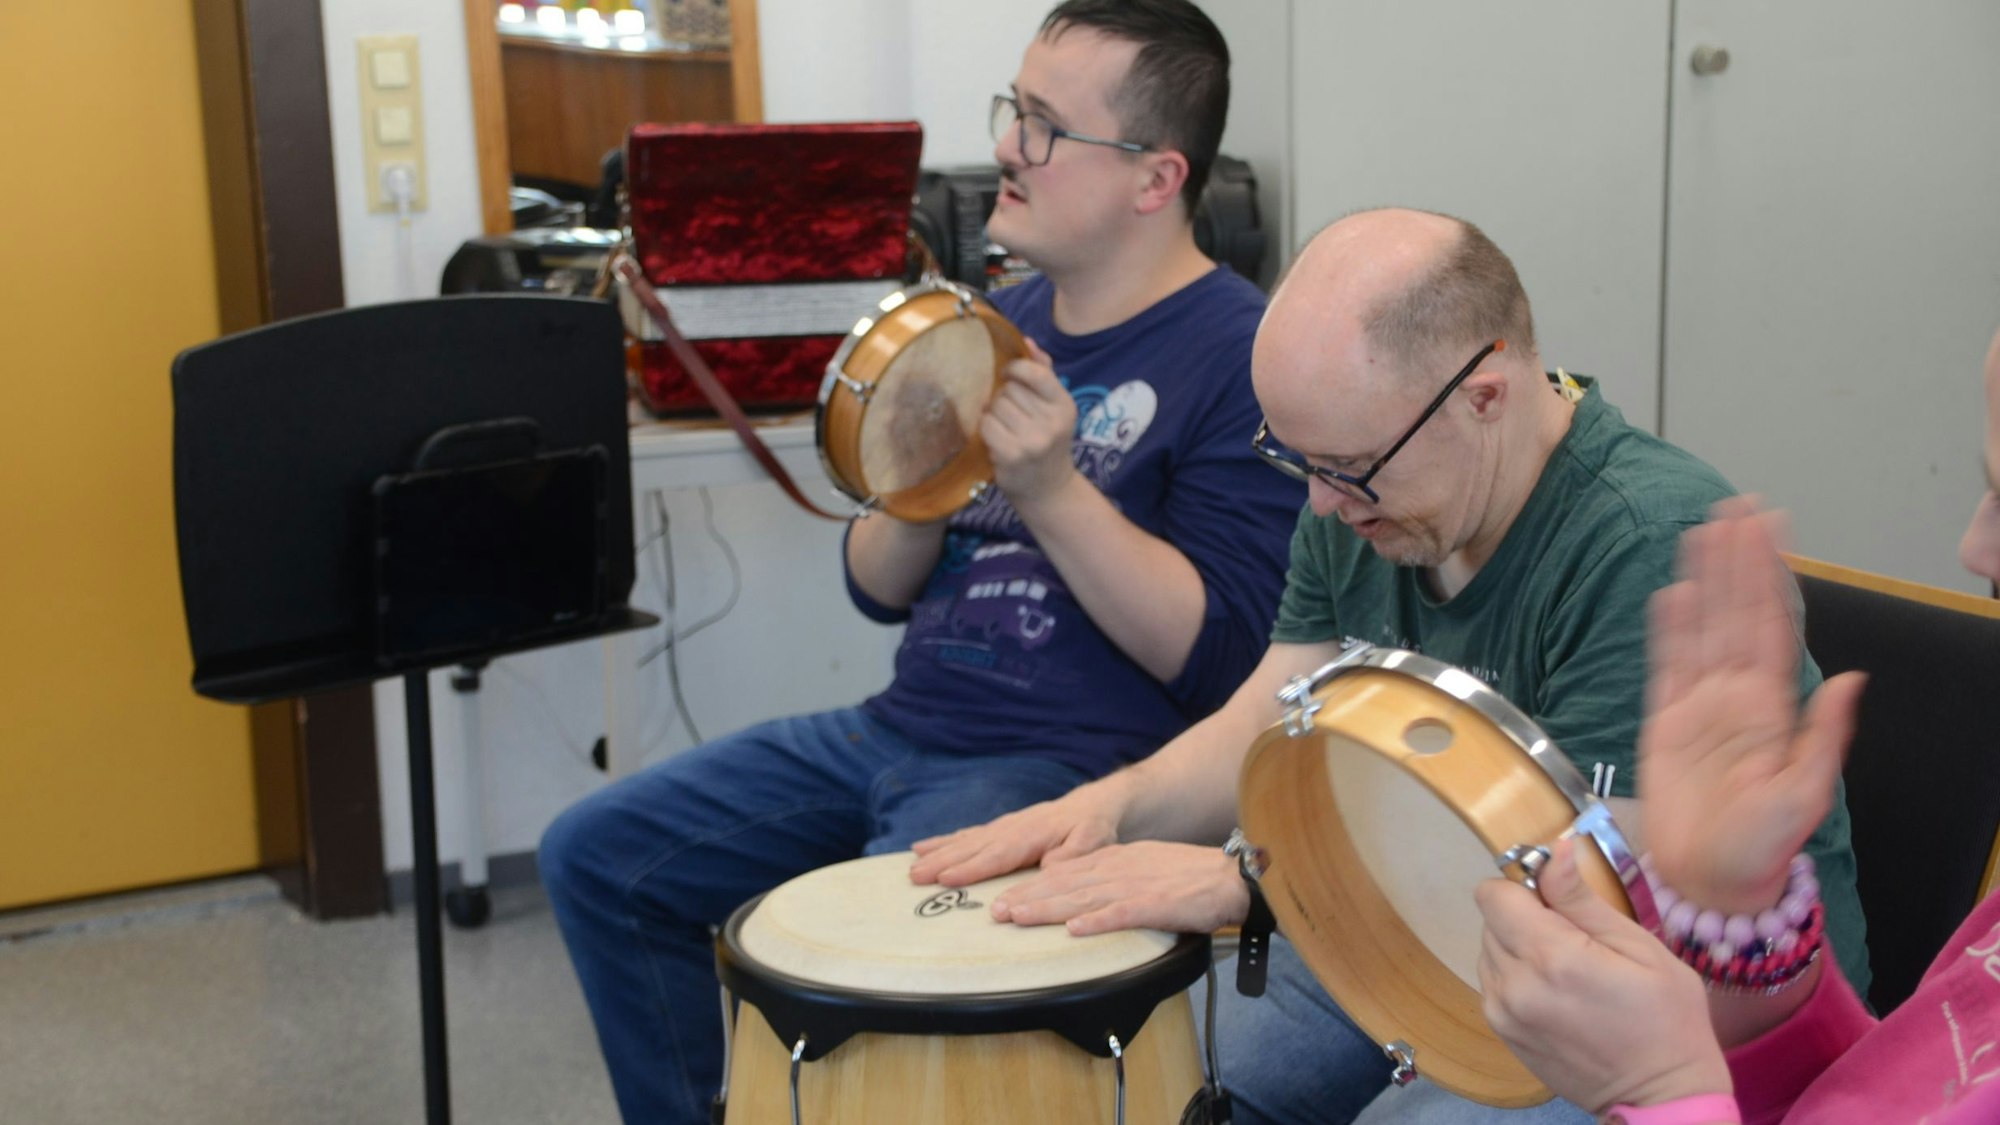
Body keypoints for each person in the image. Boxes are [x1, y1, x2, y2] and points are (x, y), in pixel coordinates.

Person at [908, 207, 1872, 1124]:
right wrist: (1103, 809)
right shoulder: (1368, 483)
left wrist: (1256, 883)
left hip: (1667, 1017)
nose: (1324, 506)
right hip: (1413, 934)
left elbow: (1594, 906)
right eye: (1298, 461)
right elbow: (1267, 712)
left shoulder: (1642, 543)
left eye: (1346, 469)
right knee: (1143, 1081)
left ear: (1485, 395)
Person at [538, 3, 1304, 1121]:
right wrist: (916, 471)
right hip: (891, 731)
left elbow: (1221, 657)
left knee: (889, 970)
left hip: (1062, 771)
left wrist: (1049, 487)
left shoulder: (1242, 354)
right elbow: (874, 588)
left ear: (1153, 179)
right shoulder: (996, 315)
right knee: (597, 856)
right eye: (1013, 111)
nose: (1004, 148)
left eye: (1044, 126)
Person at [1475, 327, 2000, 1124]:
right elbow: (1881, 1093)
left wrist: (1668, 1092)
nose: (1972, 546)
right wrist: (1735, 920)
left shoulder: (1633, 526)